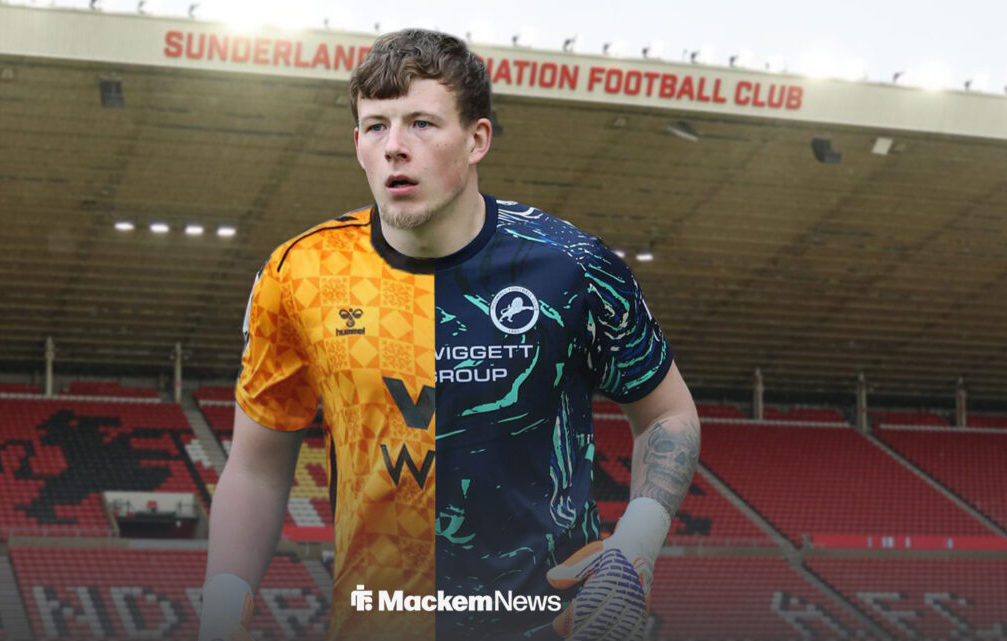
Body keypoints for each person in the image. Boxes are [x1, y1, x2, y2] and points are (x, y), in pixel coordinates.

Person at [199, 28, 700, 641]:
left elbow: (667, 414)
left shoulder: (573, 265)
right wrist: (223, 606)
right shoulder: (300, 275)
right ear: (357, 144)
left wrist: (635, 550)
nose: (395, 148)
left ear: (477, 139)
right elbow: (255, 468)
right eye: (376, 126)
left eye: (422, 124)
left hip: (551, 625)